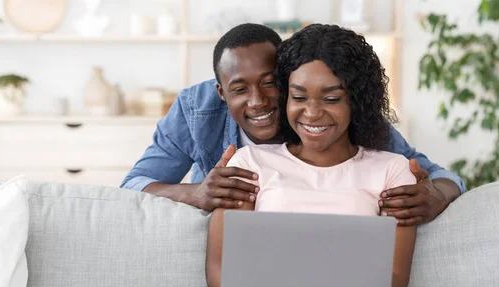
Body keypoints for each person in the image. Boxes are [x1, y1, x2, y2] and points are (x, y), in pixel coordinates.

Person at [206, 23, 416, 287]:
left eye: (331, 98)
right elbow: (219, 271)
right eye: (299, 97)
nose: (312, 113)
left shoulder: (393, 171)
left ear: (357, 99)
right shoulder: (250, 163)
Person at [120, 23, 465, 225]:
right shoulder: (196, 110)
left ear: (290, 77)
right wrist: (195, 193)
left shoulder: (332, 114)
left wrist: (435, 194)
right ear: (221, 93)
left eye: (270, 82)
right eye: (239, 89)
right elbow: (133, 187)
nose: (258, 101)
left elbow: (444, 177)